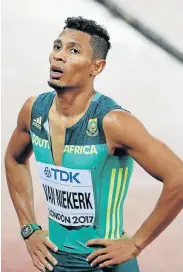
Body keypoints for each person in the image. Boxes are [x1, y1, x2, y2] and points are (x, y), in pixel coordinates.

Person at [5, 16, 183, 272]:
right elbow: (14, 159)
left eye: (73, 50)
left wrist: (135, 244)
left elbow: (178, 176)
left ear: (96, 68)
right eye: (57, 47)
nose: (58, 56)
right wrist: (28, 228)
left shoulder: (114, 123)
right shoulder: (34, 111)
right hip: (55, 262)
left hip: (105, 264)